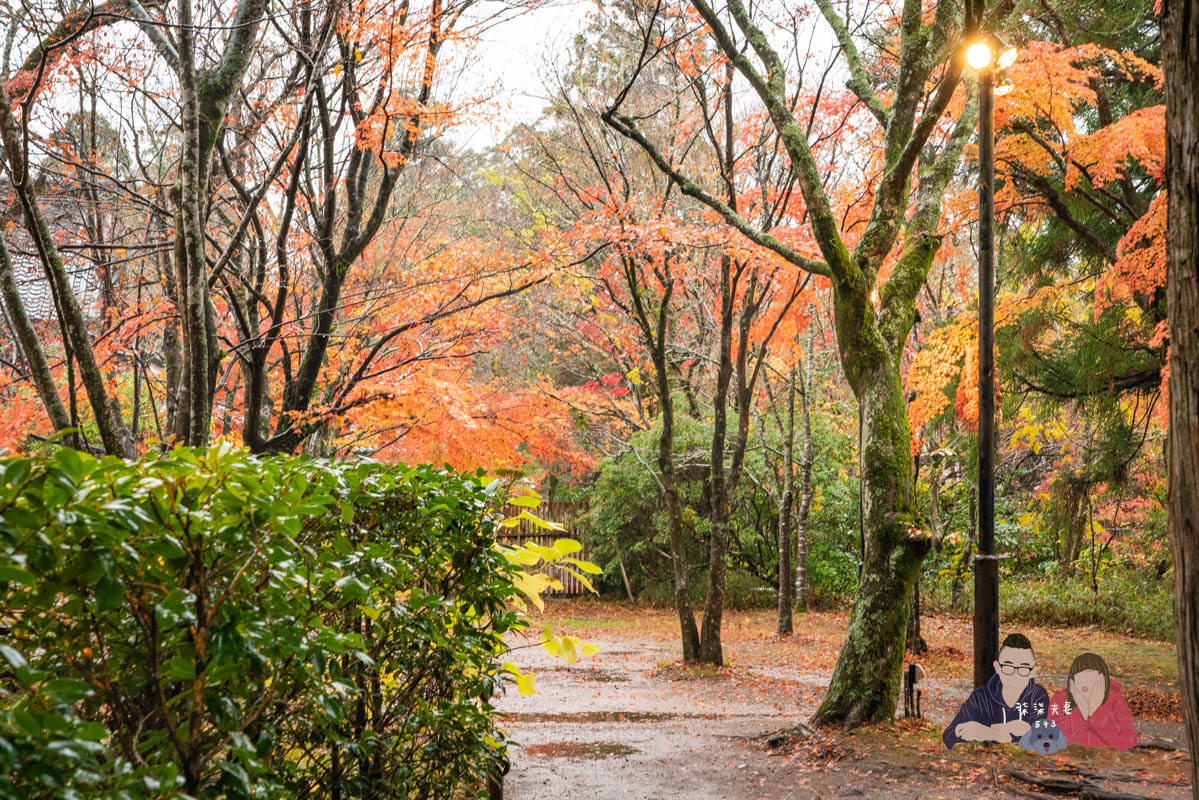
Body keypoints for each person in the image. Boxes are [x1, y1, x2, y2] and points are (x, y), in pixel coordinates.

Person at [942, 633, 1050, 749]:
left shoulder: (1038, 696)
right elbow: (949, 735)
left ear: (1033, 672)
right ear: (998, 668)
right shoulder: (980, 698)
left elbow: (1040, 738)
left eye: (1023, 668)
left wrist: (987, 731)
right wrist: (997, 732)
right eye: (1008, 667)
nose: (1015, 675)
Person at [1047, 653, 1139, 749]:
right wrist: (1080, 712)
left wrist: (1096, 711)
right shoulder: (1061, 700)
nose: (1084, 681)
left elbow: (1129, 741)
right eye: (1079, 675)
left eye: (1090, 675)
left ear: (1102, 679)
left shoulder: (1116, 701)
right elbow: (1049, 737)